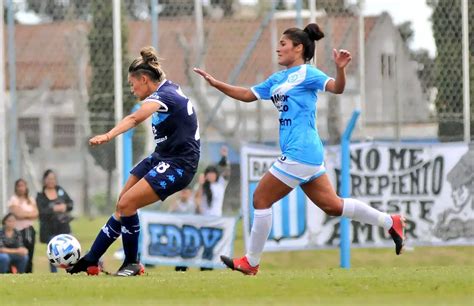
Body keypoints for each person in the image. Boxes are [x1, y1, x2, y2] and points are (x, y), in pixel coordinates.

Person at [194, 23, 405, 276]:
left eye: (283, 44)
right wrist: (216, 84)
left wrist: (340, 69)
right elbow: (248, 94)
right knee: (332, 205)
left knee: (260, 199)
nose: (278, 48)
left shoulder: (308, 73)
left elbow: (337, 88)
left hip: (300, 151)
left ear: (299, 48)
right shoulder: (277, 79)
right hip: (307, 154)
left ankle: (251, 262)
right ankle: (389, 221)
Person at [67, 46, 200, 277]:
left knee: (128, 204)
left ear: (144, 79)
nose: (131, 89)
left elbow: (135, 117)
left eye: (132, 83)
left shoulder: (164, 96)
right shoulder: (168, 89)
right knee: (123, 203)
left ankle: (132, 262)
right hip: (163, 156)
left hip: (180, 163)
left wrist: (108, 135)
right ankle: (92, 258)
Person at [36, 169, 74, 273]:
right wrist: (53, 209)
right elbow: (41, 212)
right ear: (44, 180)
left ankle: (70, 271)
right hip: (49, 228)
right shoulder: (41, 196)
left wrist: (65, 206)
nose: (51, 181)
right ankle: (54, 273)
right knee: (54, 251)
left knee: (68, 250)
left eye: (53, 178)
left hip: (63, 226)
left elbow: (70, 203)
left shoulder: (60, 191)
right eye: (49, 179)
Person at [7, 178, 38, 273]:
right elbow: (17, 214)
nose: (21, 188)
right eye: (19, 186)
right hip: (18, 231)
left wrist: (24, 213)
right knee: (20, 252)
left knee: (30, 253)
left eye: (23, 186)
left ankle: (29, 273)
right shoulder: (14, 199)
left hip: (29, 230)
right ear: (16, 187)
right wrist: (28, 214)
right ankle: (18, 272)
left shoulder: (30, 199)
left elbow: (36, 213)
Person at [195, 145, 231, 218]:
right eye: (209, 174)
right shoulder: (202, 185)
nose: (211, 176)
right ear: (206, 175)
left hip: (217, 218)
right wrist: (200, 184)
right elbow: (197, 198)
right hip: (204, 218)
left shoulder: (221, 184)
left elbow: (227, 171)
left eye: (213, 173)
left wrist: (224, 157)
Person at [169, 186, 198, 272]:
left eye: (186, 192)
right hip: (178, 231)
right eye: (183, 192)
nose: (184, 194)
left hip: (189, 231)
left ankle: (185, 265)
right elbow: (169, 215)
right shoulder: (176, 204)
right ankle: (179, 266)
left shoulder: (192, 204)